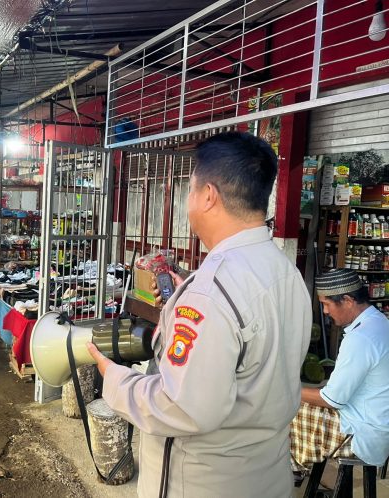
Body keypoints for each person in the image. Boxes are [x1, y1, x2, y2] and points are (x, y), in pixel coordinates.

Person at [86, 132, 311, 497]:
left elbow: (182, 408)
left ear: (209, 195)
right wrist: (183, 296)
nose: (187, 201)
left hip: (203, 483)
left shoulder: (212, 290)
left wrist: (115, 380)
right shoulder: (285, 272)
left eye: (189, 190)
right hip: (264, 475)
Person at [299, 269, 389, 467]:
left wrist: (287, 391)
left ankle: (292, 471)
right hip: (379, 425)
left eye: (326, 304)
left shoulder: (361, 338)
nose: (325, 312)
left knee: (287, 408)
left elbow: (332, 399)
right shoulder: (380, 322)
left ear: (347, 300)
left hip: (364, 436)